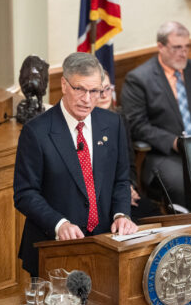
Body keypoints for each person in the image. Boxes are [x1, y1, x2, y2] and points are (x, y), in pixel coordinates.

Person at [14, 52, 138, 276]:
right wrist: (59, 224)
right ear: (64, 85)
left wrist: (121, 215)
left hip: (105, 245)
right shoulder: (36, 132)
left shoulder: (113, 124)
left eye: (95, 91)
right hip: (54, 247)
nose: (87, 99)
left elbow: (120, 180)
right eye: (79, 89)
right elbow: (25, 193)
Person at [121, 21, 191, 208]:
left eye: (187, 47)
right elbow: (137, 126)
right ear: (160, 47)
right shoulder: (139, 79)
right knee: (190, 187)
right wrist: (175, 142)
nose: (183, 53)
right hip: (166, 154)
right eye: (177, 47)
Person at [96, 75, 160, 220]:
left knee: (154, 214)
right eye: (99, 91)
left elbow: (129, 164)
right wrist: (119, 194)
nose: (105, 95)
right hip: (100, 197)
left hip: (123, 189)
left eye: (107, 88)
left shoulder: (120, 118)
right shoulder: (82, 126)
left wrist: (129, 186)